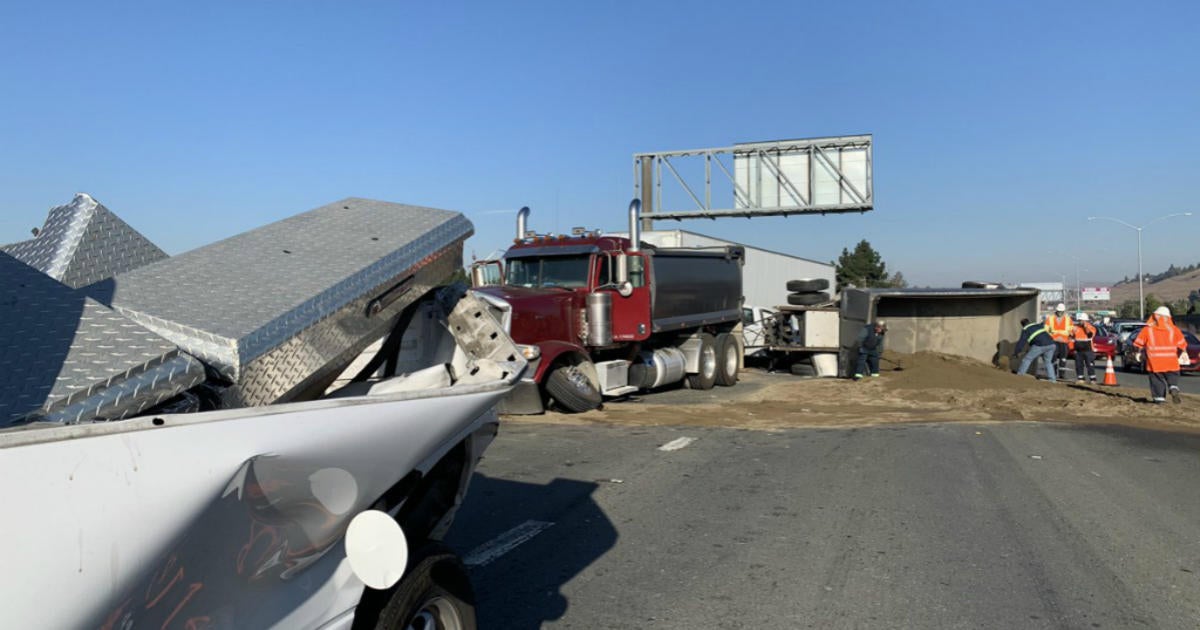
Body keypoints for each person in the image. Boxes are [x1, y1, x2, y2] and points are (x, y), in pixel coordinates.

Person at [1131, 306, 1188, 403]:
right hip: (1171, 361)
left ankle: (1159, 399)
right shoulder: (1174, 330)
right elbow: (1182, 344)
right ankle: (1173, 386)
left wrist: (1138, 353)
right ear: (1168, 318)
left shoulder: (1147, 330)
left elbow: (1138, 344)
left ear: (1154, 316)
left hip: (1154, 362)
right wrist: (1184, 353)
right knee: (1172, 376)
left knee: (1157, 380)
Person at [1014, 317, 1057, 382]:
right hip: (1052, 344)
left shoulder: (1025, 329)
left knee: (1027, 359)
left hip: (1040, 345)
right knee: (1048, 362)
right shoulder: (1037, 325)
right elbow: (1040, 332)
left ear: (1022, 325)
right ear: (1029, 322)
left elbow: (1022, 342)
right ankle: (1052, 380)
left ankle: (1020, 375)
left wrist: (1017, 352)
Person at [1045, 303, 1074, 375]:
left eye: (1062, 312)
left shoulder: (1068, 319)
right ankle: (1053, 373)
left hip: (1064, 342)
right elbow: (1046, 330)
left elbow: (1071, 330)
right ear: (1056, 311)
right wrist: (1053, 337)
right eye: (1059, 311)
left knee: (1063, 359)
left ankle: (1061, 374)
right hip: (1053, 341)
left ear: (1064, 311)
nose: (1060, 313)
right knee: (1053, 358)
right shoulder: (1050, 318)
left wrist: (1068, 337)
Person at [1071, 312, 1098, 383]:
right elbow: (1071, 337)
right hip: (1078, 350)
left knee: (1090, 365)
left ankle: (1093, 379)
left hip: (1088, 349)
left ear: (1086, 321)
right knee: (1078, 365)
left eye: (1082, 320)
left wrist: (1085, 327)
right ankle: (1080, 378)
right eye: (1079, 320)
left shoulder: (1091, 327)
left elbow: (1090, 335)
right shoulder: (1075, 327)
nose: (1080, 322)